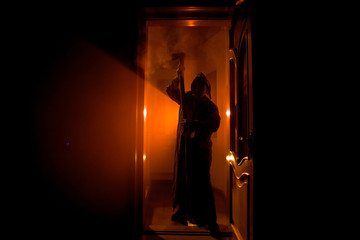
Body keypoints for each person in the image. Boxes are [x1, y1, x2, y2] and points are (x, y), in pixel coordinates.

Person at [166, 69, 221, 237]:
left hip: (201, 150)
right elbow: (170, 90)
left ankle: (210, 221)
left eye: (202, 85)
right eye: (196, 85)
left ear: (206, 88)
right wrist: (177, 76)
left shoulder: (210, 106)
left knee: (202, 183)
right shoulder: (187, 99)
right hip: (185, 149)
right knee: (184, 180)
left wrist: (195, 125)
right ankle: (184, 213)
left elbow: (214, 124)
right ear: (193, 86)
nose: (199, 88)